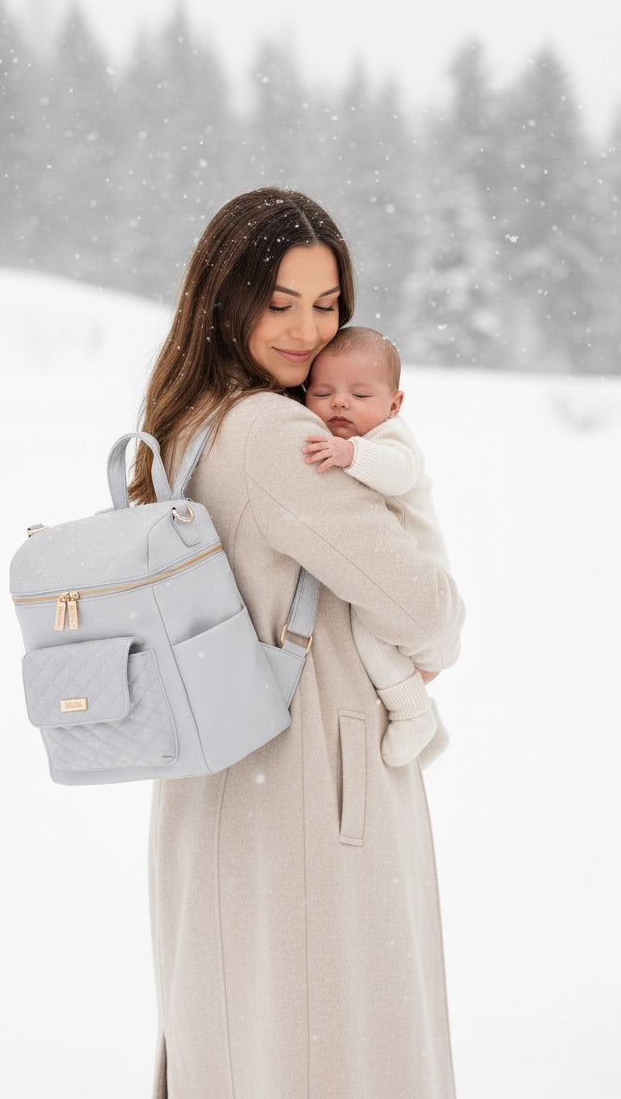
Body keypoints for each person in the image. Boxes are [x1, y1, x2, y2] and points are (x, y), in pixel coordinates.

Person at [131, 187, 465, 1099]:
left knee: (239, 1044)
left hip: (222, 787)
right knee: (330, 1049)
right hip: (309, 793)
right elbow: (427, 608)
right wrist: (431, 636)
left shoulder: (187, 426)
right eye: (279, 303)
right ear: (226, 298)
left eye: (326, 305)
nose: (308, 333)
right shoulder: (274, 434)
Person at [302, 325, 453, 767]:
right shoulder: (341, 437)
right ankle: (423, 719)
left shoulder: (390, 437)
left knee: (370, 636)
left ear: (394, 404)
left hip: (417, 566)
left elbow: (398, 472)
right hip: (386, 565)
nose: (339, 403)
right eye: (323, 392)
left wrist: (351, 454)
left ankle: (413, 711)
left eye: (360, 395)